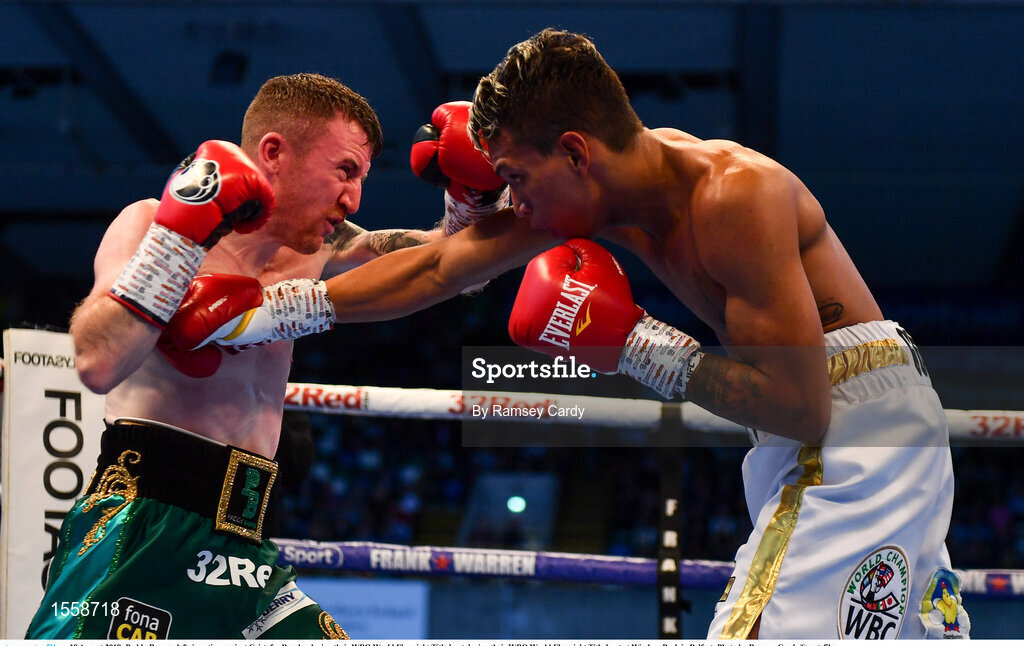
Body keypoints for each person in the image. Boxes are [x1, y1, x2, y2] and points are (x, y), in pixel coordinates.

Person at [460, 28, 967, 639]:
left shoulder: (731, 196)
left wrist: (634, 343)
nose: (513, 204)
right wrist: (320, 290)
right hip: (844, 423)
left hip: (846, 424)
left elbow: (804, 411)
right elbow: (442, 264)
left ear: (575, 153)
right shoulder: (613, 199)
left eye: (513, 178)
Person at [27, 72, 548, 639]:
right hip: (139, 524)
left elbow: (444, 266)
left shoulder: (326, 247)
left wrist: (471, 203)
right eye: (344, 171)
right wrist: (177, 243)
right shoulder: (151, 222)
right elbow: (96, 362)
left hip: (243, 545)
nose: (353, 198)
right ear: (274, 153)